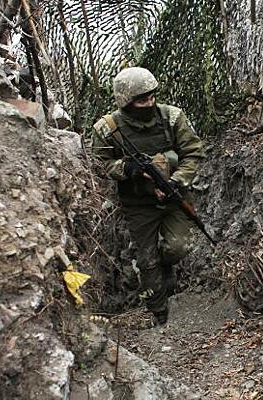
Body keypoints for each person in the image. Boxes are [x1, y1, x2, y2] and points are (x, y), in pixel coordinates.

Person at [90, 67, 205, 325]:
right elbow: (99, 165)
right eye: (142, 100)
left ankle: (168, 271)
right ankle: (158, 312)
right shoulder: (107, 129)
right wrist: (126, 169)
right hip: (137, 203)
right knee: (147, 260)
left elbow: (194, 153)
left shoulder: (172, 117)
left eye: (152, 97)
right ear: (125, 101)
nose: (149, 103)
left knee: (177, 248)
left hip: (175, 195)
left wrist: (175, 181)